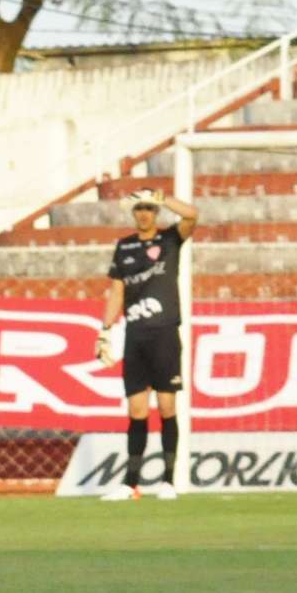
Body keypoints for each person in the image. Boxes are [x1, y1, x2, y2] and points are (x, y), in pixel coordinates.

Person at [97, 190, 200, 501]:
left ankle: (168, 481)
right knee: (136, 410)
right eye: (139, 208)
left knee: (167, 407)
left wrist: (163, 198)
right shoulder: (124, 246)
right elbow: (116, 292)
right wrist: (104, 331)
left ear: (156, 212)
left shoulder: (169, 239)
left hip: (164, 334)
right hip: (136, 336)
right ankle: (131, 484)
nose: (144, 213)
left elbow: (192, 214)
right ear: (133, 213)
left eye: (149, 208)